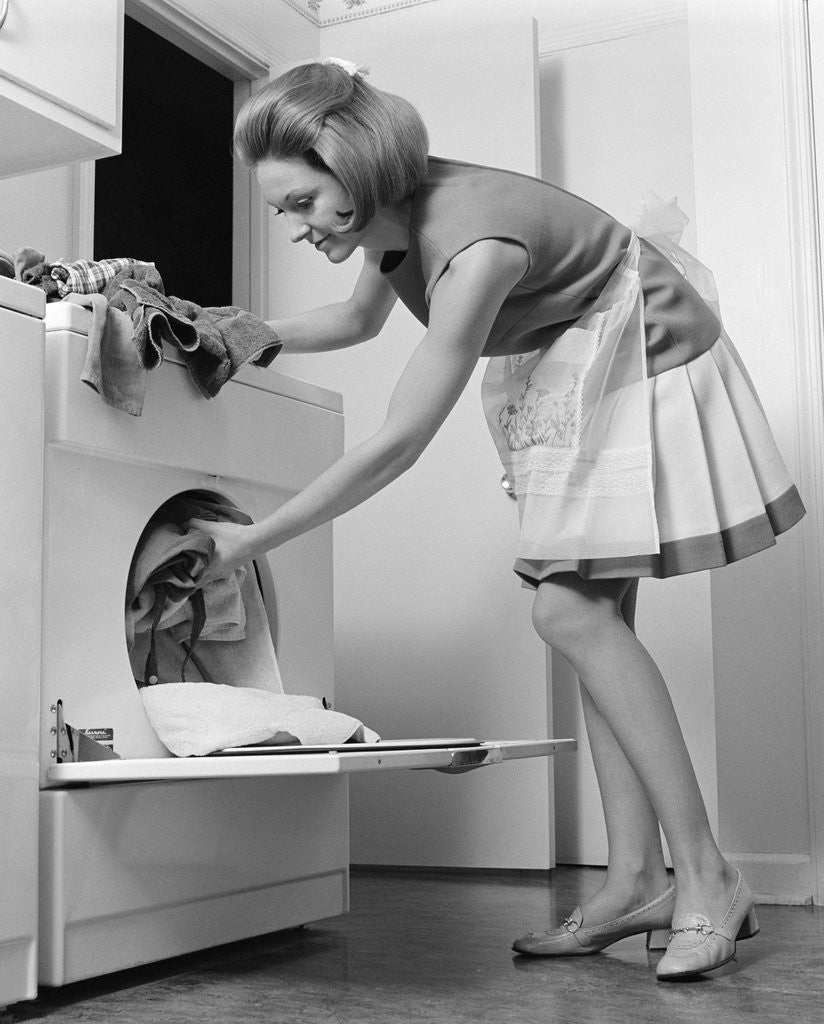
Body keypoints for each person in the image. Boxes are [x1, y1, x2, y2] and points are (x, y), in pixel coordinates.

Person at [191, 57, 805, 981]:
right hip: (580, 351)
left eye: (303, 202)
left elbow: (400, 442)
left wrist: (252, 541)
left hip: (643, 350)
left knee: (570, 611)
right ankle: (635, 883)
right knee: (594, 619)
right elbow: (357, 322)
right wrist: (240, 329)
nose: (293, 226)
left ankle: (709, 879)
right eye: (281, 208)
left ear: (356, 171)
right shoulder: (388, 220)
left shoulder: (476, 250)